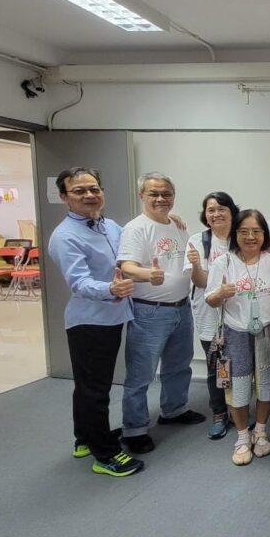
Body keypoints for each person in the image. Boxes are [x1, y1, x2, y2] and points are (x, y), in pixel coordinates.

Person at [48, 167, 143, 477]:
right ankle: (105, 455)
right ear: (64, 197)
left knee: (88, 385)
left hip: (112, 317)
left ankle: (84, 439)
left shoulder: (109, 225)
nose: (89, 195)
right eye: (79, 191)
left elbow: (132, 244)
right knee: (95, 390)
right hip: (90, 322)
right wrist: (111, 289)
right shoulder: (65, 236)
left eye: (94, 189)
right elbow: (79, 282)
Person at [118, 172, 205, 454]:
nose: (160, 199)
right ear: (141, 195)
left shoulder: (176, 225)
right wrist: (147, 275)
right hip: (150, 312)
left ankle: (174, 409)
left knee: (179, 365)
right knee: (141, 374)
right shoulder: (136, 228)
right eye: (153, 194)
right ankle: (134, 429)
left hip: (181, 308)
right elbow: (126, 266)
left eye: (166, 194)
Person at [206, 210, 270, 466]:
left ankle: (260, 431)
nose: (250, 237)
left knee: (267, 382)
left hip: (268, 331)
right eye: (244, 231)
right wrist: (221, 293)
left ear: (264, 234)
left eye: (256, 231)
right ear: (235, 234)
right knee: (236, 386)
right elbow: (210, 300)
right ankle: (241, 436)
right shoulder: (223, 263)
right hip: (234, 333)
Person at [183, 191, 240, 440]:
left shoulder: (241, 237)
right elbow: (202, 282)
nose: (216, 214)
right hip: (209, 312)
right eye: (211, 210)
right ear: (205, 215)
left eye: (221, 209)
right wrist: (197, 264)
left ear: (232, 212)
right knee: (216, 365)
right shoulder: (199, 240)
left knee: (238, 364)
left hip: (237, 310)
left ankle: (237, 409)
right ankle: (219, 412)